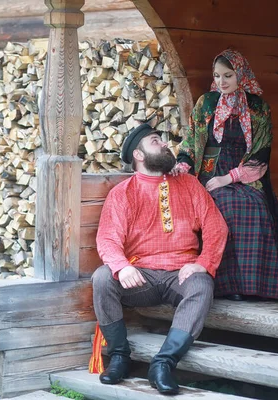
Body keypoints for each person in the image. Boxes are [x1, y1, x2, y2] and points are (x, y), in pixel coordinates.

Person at [91, 123, 228, 394]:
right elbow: (107, 239)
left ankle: (163, 363)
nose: (165, 144)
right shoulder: (123, 193)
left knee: (202, 284)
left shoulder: (188, 184)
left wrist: (202, 263)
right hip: (141, 277)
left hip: (180, 274)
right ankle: (119, 357)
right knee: (102, 278)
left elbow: (216, 226)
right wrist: (122, 267)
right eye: (155, 141)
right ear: (139, 155)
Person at [172, 49, 278, 302]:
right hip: (208, 174)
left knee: (249, 206)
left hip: (245, 176)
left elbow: (261, 155)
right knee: (221, 206)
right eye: (217, 76)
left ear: (240, 74)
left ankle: (254, 286)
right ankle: (225, 286)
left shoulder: (258, 108)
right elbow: (191, 142)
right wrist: (182, 167)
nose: (221, 82)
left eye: (228, 75)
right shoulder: (206, 103)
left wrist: (227, 179)